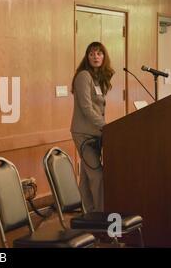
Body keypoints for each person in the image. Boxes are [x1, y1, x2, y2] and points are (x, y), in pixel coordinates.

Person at [70, 41, 115, 213]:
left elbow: (99, 108)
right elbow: (86, 108)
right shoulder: (84, 76)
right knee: (97, 175)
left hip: (95, 133)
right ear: (87, 57)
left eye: (99, 53)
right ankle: (100, 215)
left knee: (87, 177)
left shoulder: (98, 78)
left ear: (104, 56)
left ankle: (87, 213)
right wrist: (106, 126)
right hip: (84, 134)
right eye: (91, 54)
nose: (95, 56)